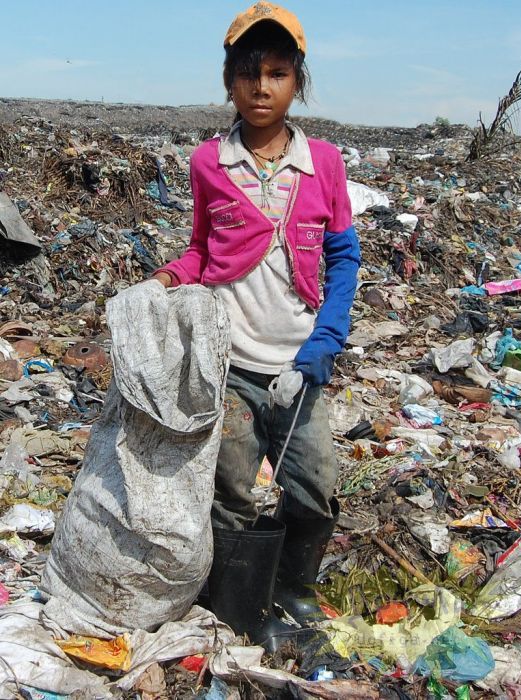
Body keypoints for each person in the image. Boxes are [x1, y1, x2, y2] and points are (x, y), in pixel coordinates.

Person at [153, 1, 361, 651]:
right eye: (248, 73)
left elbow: (343, 258)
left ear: (297, 81)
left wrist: (325, 342)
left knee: (313, 484)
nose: (261, 87)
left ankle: (295, 589)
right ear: (228, 81)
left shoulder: (323, 163)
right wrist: (164, 280)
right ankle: (238, 604)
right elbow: (201, 250)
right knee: (234, 490)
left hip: (299, 364)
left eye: (277, 73)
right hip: (231, 364)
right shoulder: (209, 162)